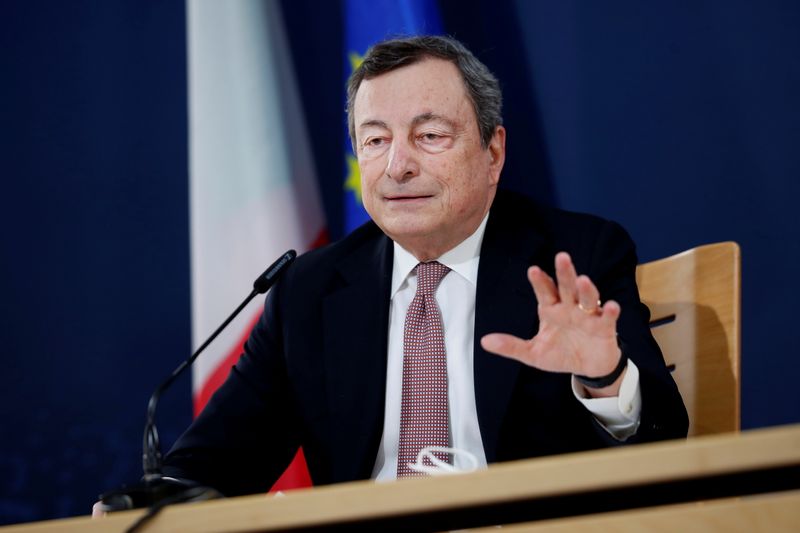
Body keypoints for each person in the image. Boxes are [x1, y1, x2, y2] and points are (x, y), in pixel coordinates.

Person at [162, 35, 688, 496]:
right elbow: (211, 465)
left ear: (493, 153)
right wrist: (149, 500)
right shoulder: (310, 290)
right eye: (375, 140)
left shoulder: (575, 257)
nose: (398, 165)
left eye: (430, 135)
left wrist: (603, 379)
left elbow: (663, 442)